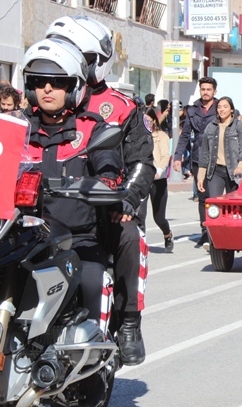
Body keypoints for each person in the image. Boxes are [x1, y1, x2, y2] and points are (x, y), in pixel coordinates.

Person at [46, 15, 156, 365]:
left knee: (129, 234)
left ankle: (129, 322)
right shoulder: (40, 108)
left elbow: (142, 161)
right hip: (46, 208)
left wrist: (126, 196)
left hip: (104, 207)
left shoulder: (121, 108)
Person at [22, 39, 123, 407]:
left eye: (58, 82)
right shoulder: (17, 127)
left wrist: (108, 182)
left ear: (75, 87)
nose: (47, 88)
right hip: (22, 235)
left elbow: (110, 168)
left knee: (93, 280)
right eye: (39, 80)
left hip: (75, 240)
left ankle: (94, 371)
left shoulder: (93, 129)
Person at [196, 96, 242, 250]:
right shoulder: (211, 127)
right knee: (214, 205)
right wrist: (201, 175)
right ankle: (214, 240)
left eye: (225, 107)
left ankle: (234, 237)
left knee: (234, 207)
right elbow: (204, 153)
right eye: (219, 107)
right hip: (215, 171)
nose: (222, 109)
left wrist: (241, 166)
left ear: (231, 109)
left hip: (234, 172)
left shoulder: (238, 126)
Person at [172, 77, 219, 247]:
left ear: (214, 91)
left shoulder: (221, 108)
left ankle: (218, 230)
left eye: (209, 89)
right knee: (203, 197)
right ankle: (205, 232)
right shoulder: (192, 111)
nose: (205, 92)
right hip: (198, 158)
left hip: (218, 159)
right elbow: (185, 135)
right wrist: (177, 157)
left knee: (217, 197)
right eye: (203, 89)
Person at [138, 108, 174, 253]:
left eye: (149, 120)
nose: (147, 123)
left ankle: (167, 234)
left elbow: (166, 155)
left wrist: (159, 170)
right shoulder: (137, 135)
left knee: (159, 217)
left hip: (157, 179)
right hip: (142, 178)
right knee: (140, 214)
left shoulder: (161, 136)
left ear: (154, 121)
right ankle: (141, 244)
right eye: (144, 121)